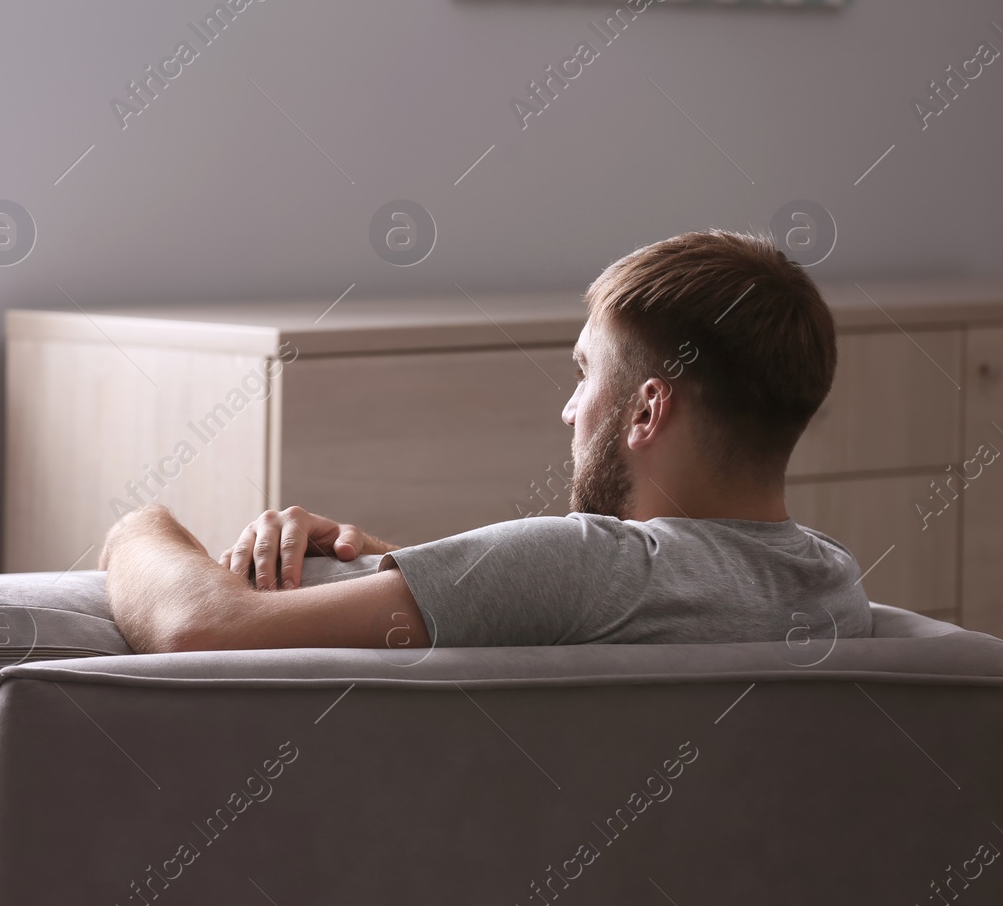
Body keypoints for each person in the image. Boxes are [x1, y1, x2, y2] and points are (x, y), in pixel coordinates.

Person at [99, 229, 871, 656]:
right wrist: (377, 560)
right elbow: (559, 606)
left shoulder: (592, 562)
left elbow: (195, 630)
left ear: (646, 411)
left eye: (582, 375)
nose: (570, 412)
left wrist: (138, 527)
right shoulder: (835, 587)